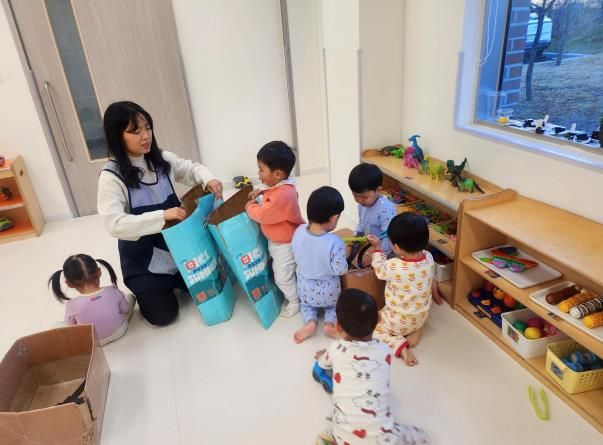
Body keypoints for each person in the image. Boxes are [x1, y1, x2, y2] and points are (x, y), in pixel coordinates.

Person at [97, 101, 223, 326]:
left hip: (179, 251)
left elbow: (191, 169)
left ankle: (176, 280)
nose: (146, 136)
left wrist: (209, 179)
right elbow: (115, 224)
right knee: (163, 316)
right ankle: (149, 290)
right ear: (117, 136)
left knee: (217, 284)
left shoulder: (162, 159)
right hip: (144, 261)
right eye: (135, 131)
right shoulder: (111, 177)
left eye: (147, 128)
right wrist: (162, 216)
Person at [314, 288, 431, 445]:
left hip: (343, 437)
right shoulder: (384, 352)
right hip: (383, 440)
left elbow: (323, 363)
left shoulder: (335, 349)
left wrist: (321, 357)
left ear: (338, 327)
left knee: (334, 419)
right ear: (379, 318)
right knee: (422, 436)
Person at [367, 212, 443, 366]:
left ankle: (400, 346)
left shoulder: (394, 265)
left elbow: (379, 270)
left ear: (395, 247)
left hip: (398, 322)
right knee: (406, 312)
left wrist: (377, 249)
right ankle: (417, 330)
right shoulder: (429, 257)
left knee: (371, 327)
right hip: (421, 316)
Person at [245, 141, 305, 317]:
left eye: (261, 170)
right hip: (280, 240)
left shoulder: (283, 195)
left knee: (282, 277)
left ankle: (295, 301)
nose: (258, 174)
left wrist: (249, 207)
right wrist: (260, 191)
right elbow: (271, 189)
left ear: (278, 174)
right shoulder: (282, 185)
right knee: (287, 270)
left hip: (284, 244)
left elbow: (263, 214)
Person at [291, 186, 348, 343]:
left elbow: (295, 253)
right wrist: (345, 255)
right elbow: (341, 270)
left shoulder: (299, 231)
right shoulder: (335, 242)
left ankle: (310, 322)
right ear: (334, 218)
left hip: (305, 287)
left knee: (306, 306)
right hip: (329, 290)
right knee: (333, 307)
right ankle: (329, 324)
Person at [49, 254, 133, 345]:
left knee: (55, 326)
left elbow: (71, 326)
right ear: (99, 272)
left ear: (69, 283)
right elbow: (125, 310)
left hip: (92, 342)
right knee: (129, 297)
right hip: (119, 332)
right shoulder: (113, 290)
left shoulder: (71, 305)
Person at [348, 163, 396, 258]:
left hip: (385, 251)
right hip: (372, 245)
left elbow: (388, 238)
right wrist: (356, 239)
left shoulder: (385, 209)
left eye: (364, 197)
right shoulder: (363, 204)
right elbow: (362, 224)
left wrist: (378, 256)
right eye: (355, 196)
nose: (359, 200)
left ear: (378, 190)